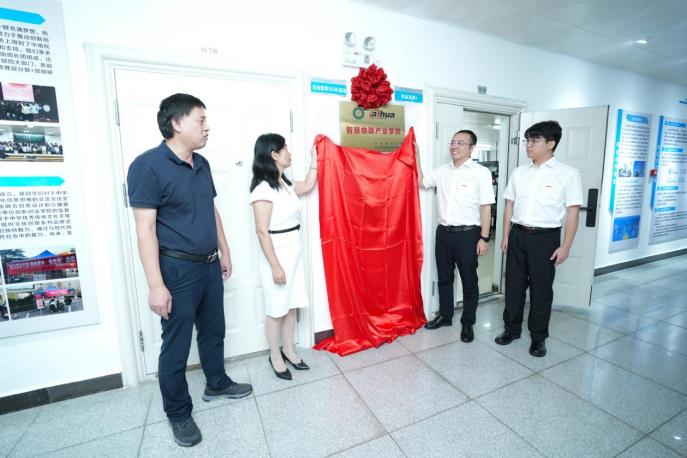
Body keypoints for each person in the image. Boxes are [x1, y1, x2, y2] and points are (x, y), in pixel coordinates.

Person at [127, 93, 252, 448]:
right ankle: (178, 412)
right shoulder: (147, 166)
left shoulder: (202, 163)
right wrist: (156, 285)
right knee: (177, 345)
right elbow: (144, 230)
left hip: (209, 265)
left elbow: (210, 209)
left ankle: (217, 383)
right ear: (177, 123)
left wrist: (224, 249)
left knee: (213, 330)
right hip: (177, 269)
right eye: (201, 120)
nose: (207, 127)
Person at [495, 120, 582, 357]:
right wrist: (506, 235)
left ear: (551, 144)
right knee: (513, 286)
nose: (528, 145)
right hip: (517, 235)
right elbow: (509, 205)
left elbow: (573, 211)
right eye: (527, 140)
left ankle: (538, 337)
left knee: (541, 290)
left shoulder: (567, 174)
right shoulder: (519, 172)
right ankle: (511, 330)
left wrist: (566, 246)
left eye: (534, 141)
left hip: (545, 238)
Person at [249, 133, 317, 380]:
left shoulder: (284, 184)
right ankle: (275, 355)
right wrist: (275, 266)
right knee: (277, 308)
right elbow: (261, 231)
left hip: (294, 250)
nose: (290, 152)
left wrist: (315, 159)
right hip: (277, 254)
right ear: (274, 155)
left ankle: (289, 350)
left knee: (290, 306)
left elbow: (308, 185)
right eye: (285, 148)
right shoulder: (263, 189)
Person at [416, 130, 495, 342]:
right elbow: (420, 181)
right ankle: (445, 315)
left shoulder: (480, 173)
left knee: (469, 280)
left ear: (471, 148)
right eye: (452, 142)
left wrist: (484, 238)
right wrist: (415, 155)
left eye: (460, 143)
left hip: (468, 234)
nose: (454, 146)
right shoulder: (442, 171)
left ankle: (468, 322)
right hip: (443, 233)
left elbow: (486, 207)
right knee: (444, 277)